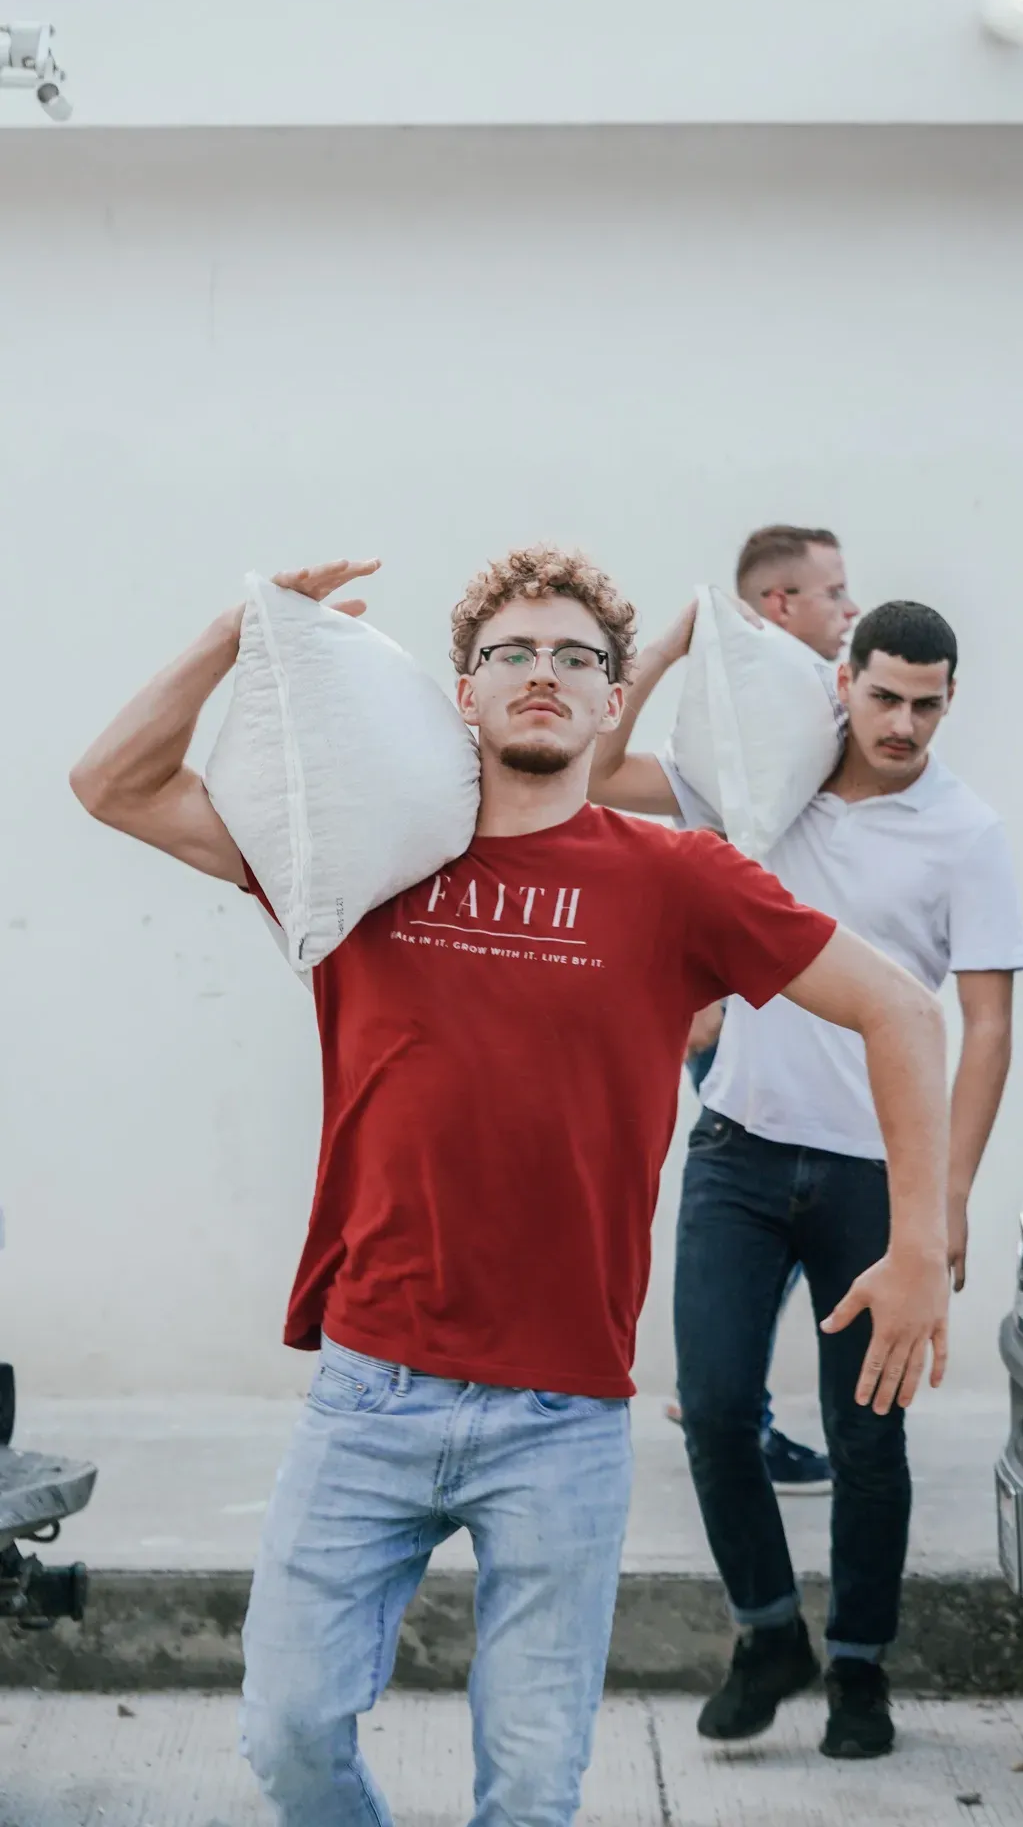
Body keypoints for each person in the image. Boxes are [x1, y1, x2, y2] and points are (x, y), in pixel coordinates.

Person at [69, 547, 952, 1827]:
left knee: (532, 1790)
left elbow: (903, 1010)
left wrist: (918, 1233)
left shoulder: (676, 879)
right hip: (369, 1389)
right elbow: (112, 783)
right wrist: (237, 627)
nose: (545, 673)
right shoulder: (365, 853)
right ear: (464, 693)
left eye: (577, 657)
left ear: (611, 699)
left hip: (564, 1417)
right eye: (514, 654)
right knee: (288, 1731)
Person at [590, 598, 1023, 1761]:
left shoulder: (965, 832)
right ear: (844, 680)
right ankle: (769, 1629)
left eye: (928, 704)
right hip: (736, 1146)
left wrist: (944, 1202)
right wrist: (670, 646)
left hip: (877, 1176)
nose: (905, 723)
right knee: (718, 1408)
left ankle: (863, 1670)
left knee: (866, 1435)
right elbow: (590, 773)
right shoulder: (763, 783)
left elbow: (985, 1027)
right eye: (885, 695)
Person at [672, 523, 860, 1493]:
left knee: (775, 1217)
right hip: (755, 1012)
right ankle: (724, 1395)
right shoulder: (766, 702)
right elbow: (713, 848)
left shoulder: (790, 698)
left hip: (797, 1008)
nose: (851, 609)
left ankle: (722, 1388)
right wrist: (703, 990)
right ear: (779, 605)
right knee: (763, 1213)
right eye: (834, 592)